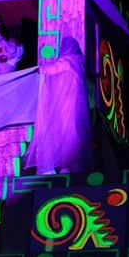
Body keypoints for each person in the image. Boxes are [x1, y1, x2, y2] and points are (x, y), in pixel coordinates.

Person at [24, 37, 94, 174]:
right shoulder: (79, 63)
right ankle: (74, 164)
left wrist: (39, 69)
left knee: (67, 132)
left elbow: (51, 69)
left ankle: (67, 163)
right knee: (75, 131)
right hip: (77, 104)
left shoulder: (68, 61)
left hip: (67, 103)